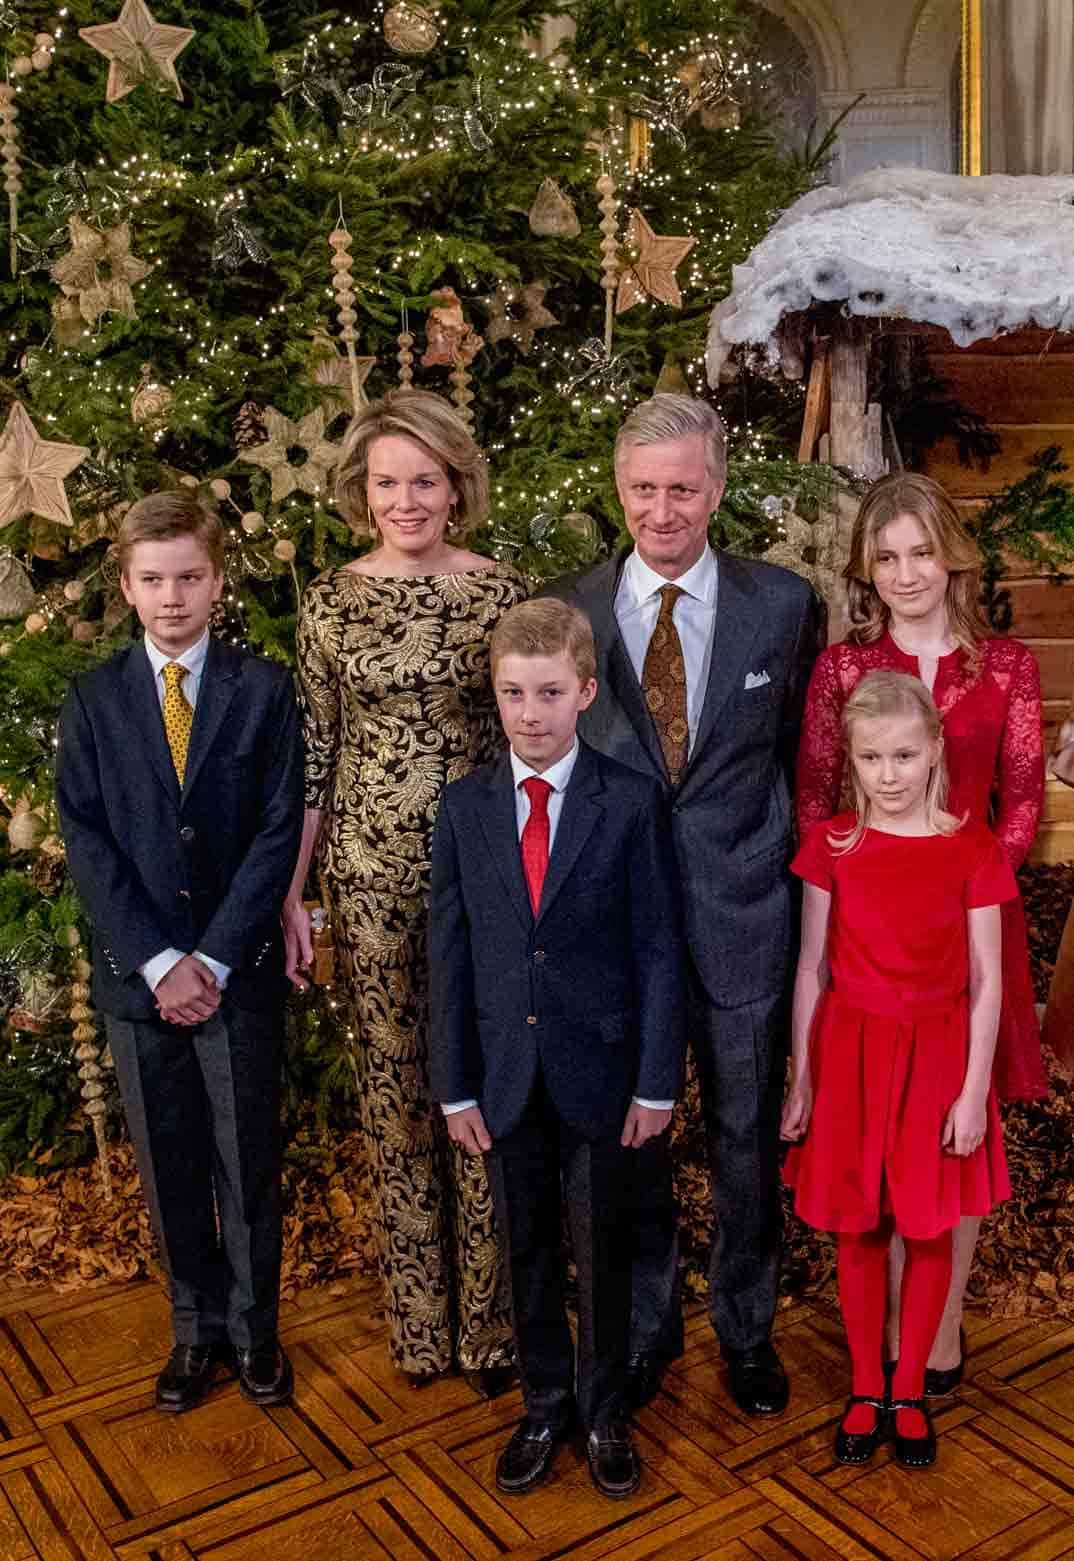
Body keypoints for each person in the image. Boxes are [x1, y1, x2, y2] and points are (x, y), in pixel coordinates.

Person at [548, 393, 822, 1417]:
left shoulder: (782, 604)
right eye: (643, 489)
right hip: (619, 927)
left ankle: (747, 1327)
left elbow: (800, 750)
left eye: (682, 488)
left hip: (743, 911)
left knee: (746, 1129)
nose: (662, 510)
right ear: (620, 489)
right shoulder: (567, 607)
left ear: (716, 489)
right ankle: (647, 1327)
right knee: (635, 1135)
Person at [284, 389, 527, 1392]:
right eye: (387, 482)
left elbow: (534, 734)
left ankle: (494, 1323)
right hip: (369, 879)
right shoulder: (329, 599)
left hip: (482, 876)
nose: (405, 499)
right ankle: (421, 1324)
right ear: (362, 491)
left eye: (424, 479)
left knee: (483, 1087)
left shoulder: (503, 592)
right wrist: (293, 894)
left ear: (456, 485)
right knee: (396, 1095)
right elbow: (314, 753)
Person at [428, 598, 686, 1498]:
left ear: (583, 692)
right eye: (511, 694)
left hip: (606, 1074)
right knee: (526, 1243)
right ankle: (544, 1401)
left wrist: (658, 1079)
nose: (528, 714)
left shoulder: (629, 801)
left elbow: (658, 949)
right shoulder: (463, 809)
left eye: (547, 693)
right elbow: (449, 954)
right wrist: (455, 1086)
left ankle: (605, 1406)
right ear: (493, 696)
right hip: (505, 1074)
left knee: (602, 1244)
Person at [795, 471, 1046, 1390]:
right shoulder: (843, 669)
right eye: (887, 556)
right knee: (877, 1129)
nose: (906, 572)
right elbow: (817, 799)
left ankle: (937, 1328)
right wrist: (869, 896)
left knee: (953, 1131)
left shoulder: (1006, 667)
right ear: (867, 566)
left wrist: (961, 889)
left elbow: (1019, 807)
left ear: (952, 556)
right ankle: (887, 1322)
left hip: (969, 936)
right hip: (868, 945)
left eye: (921, 551)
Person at [56, 492, 303, 1414]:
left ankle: (255, 1332)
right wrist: (162, 961)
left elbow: (279, 831)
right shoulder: (94, 699)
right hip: (141, 982)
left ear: (217, 580)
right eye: (153, 580)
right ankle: (194, 1331)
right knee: (170, 1161)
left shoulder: (264, 691)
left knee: (246, 1161)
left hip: (234, 976)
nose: (171, 597)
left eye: (189, 577)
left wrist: (215, 955)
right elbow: (85, 837)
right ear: (126, 585)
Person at [782, 669, 1013, 1469]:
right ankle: (864, 1384)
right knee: (861, 1224)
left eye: (904, 756)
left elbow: (988, 980)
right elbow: (811, 968)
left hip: (938, 1057)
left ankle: (910, 1385)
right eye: (872, 758)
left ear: (934, 750)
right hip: (850, 1054)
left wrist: (975, 1089)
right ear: (850, 759)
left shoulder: (970, 847)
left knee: (927, 1224)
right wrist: (802, 1076)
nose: (889, 775)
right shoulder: (834, 845)